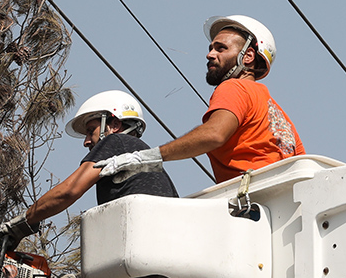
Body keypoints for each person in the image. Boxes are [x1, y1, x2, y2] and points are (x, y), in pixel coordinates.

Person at [0, 90, 178, 278]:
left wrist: (21, 223)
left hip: (144, 255)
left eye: (91, 130)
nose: (86, 141)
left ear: (115, 125)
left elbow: (69, 190)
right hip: (162, 266)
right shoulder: (145, 163)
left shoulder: (117, 143)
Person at [95, 15, 304, 184]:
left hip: (255, 200)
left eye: (221, 48)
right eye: (211, 48)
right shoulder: (276, 112)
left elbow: (214, 134)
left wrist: (147, 157)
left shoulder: (234, 87)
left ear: (248, 56)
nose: (210, 54)